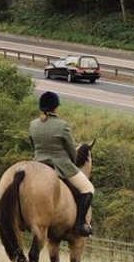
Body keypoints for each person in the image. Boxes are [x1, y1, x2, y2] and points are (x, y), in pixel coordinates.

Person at [31, 91, 94, 236]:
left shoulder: (33, 124)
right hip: (60, 165)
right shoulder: (62, 125)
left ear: (41, 107)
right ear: (56, 107)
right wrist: (72, 162)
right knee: (88, 188)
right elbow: (72, 152)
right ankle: (79, 224)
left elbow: (34, 146)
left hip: (38, 163)